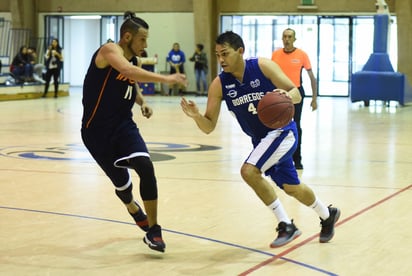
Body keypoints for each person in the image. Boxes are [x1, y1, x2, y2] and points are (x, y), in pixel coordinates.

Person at [180, 31, 340, 248]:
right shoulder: (219, 85)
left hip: (283, 132)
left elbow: (296, 93)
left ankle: (286, 224)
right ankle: (327, 214)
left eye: (225, 53)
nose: (221, 60)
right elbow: (208, 127)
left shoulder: (263, 66)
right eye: (218, 55)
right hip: (261, 140)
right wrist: (196, 116)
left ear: (240, 51)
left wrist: (285, 97)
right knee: (292, 187)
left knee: (249, 171)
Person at [81, 11, 187, 253]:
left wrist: (142, 102)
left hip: (124, 126)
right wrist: (167, 79)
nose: (146, 45)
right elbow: (127, 71)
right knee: (123, 186)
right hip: (95, 132)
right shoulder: (108, 51)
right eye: (142, 39)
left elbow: (130, 80)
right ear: (127, 36)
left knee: (146, 166)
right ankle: (131, 206)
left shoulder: (134, 61)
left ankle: (154, 230)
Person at [271, 28, 317, 170]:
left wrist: (314, 98)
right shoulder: (276, 54)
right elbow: (269, 75)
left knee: (296, 125)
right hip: (279, 93)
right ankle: (279, 158)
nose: (287, 39)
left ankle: (297, 159)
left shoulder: (302, 55)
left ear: (294, 39)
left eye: (290, 36)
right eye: (284, 36)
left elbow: (311, 77)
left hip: (296, 93)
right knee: (278, 126)